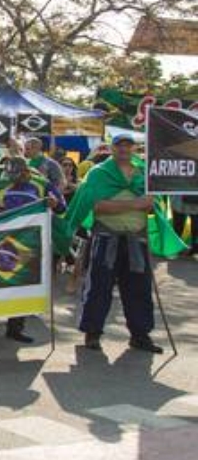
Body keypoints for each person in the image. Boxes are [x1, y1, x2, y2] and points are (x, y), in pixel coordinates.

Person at [65, 134, 184, 354]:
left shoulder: (144, 175)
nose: (124, 149)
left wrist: (143, 204)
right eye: (119, 145)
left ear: (134, 148)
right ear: (112, 148)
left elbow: (151, 206)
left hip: (137, 239)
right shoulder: (98, 174)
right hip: (105, 238)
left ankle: (140, 336)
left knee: (139, 289)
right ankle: (92, 334)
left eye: (128, 145)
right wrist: (136, 203)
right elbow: (99, 206)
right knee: (99, 288)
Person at [0, 156, 66, 343]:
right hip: (3, 240)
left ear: (27, 172)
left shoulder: (43, 184)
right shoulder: (1, 184)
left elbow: (62, 208)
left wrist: (54, 204)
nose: (13, 179)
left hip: (31, 241)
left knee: (22, 286)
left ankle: (15, 328)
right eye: (9, 175)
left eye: (17, 175)